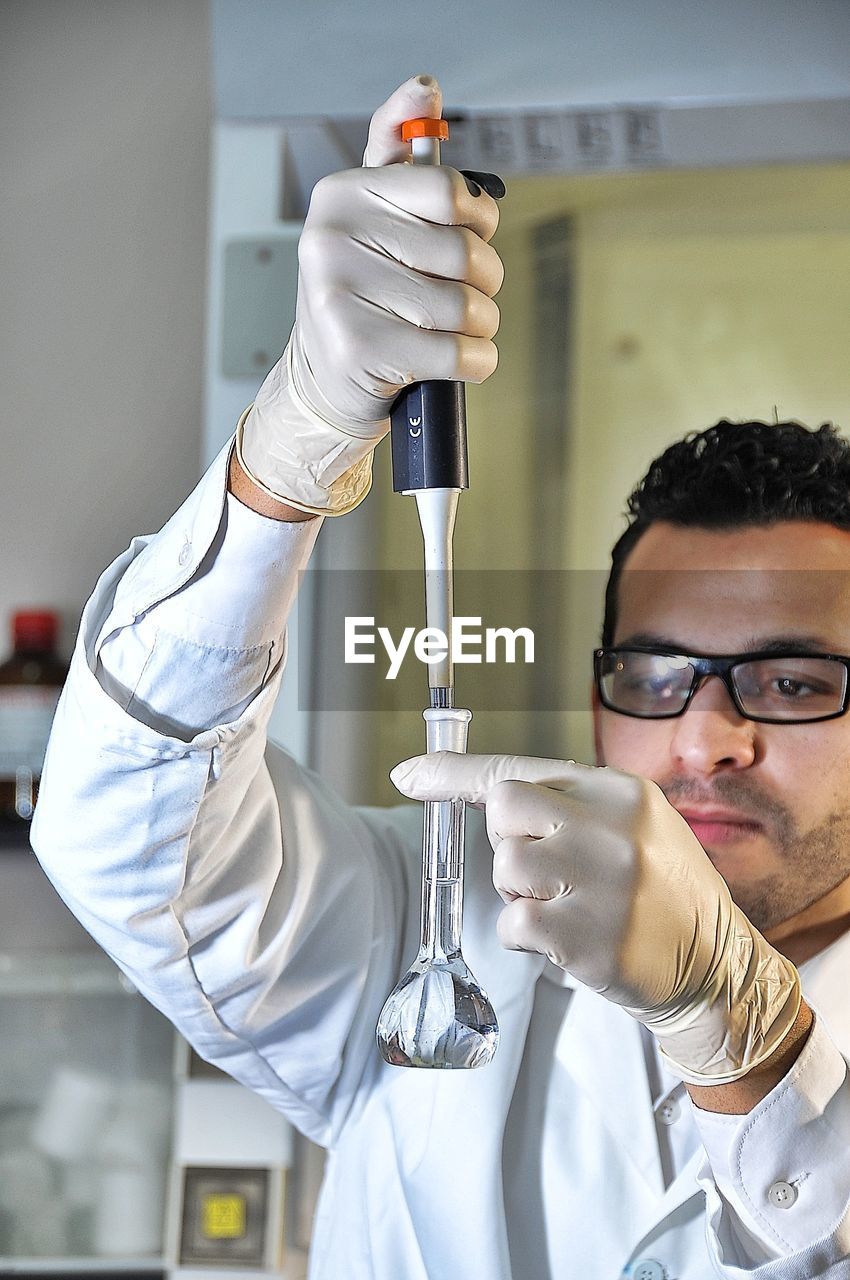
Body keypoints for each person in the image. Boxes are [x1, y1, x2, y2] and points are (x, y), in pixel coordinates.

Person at [32, 75, 850, 1280]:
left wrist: (747, 1042)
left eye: (787, 683)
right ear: (595, 700)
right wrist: (295, 439)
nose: (702, 739)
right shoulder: (435, 932)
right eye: (656, 674)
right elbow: (123, 835)